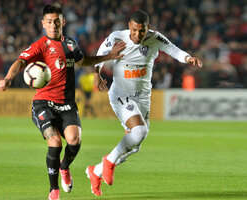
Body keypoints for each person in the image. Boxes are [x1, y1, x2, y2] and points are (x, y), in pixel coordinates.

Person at [0, 3, 126, 200]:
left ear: (63, 22)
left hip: (67, 104)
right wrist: (8, 78)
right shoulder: (40, 45)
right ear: (43, 24)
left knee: (75, 140)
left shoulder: (71, 44)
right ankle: (53, 191)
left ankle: (64, 167)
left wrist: (108, 56)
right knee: (55, 142)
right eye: (49, 22)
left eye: (57, 21)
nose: (53, 25)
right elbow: (20, 62)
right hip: (43, 103)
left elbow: (84, 61)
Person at [85, 10, 202, 196]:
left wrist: (188, 58)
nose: (137, 35)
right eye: (134, 30)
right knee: (139, 131)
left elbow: (173, 49)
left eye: (141, 31)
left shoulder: (155, 38)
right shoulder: (117, 37)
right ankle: (108, 163)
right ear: (129, 26)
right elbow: (101, 53)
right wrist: (96, 74)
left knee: (135, 146)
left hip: (143, 97)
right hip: (121, 94)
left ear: (148, 28)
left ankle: (96, 171)